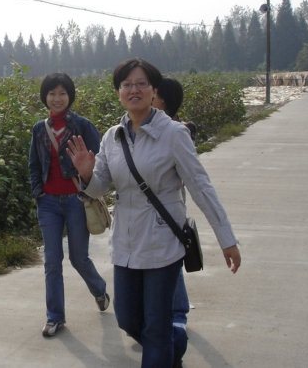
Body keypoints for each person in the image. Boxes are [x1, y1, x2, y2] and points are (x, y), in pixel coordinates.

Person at [67, 58, 241, 368]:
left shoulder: (174, 134)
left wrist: (226, 238)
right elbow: (99, 188)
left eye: (141, 84)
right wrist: (87, 174)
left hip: (162, 241)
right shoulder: (112, 137)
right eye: (126, 84)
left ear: (153, 90)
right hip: (125, 243)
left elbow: (201, 187)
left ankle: (164, 350)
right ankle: (176, 344)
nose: (133, 90)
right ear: (118, 92)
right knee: (128, 320)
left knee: (156, 326)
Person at [28, 73, 109, 337]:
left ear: (70, 96)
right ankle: (55, 317)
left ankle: (99, 289)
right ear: (45, 97)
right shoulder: (40, 129)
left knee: (78, 258)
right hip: (48, 203)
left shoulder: (83, 126)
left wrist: (88, 185)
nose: (57, 98)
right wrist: (38, 192)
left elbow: (99, 163)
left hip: (77, 201)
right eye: (52, 93)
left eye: (62, 93)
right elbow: (33, 165)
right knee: (52, 261)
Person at [151, 77, 195, 360]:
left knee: (171, 260)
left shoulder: (176, 132)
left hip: (168, 209)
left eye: (152, 93)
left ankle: (178, 315)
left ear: (162, 101)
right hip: (148, 212)